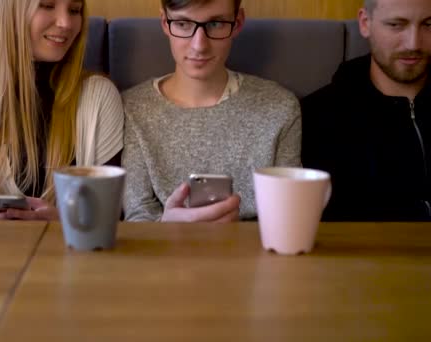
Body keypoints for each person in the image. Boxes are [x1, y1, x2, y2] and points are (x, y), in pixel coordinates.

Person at [0, 0, 124, 221]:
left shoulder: (99, 96)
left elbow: (114, 211)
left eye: (74, 10)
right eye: (46, 5)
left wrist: (64, 221)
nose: (66, 23)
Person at [121, 0, 301, 222]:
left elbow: (290, 213)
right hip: (166, 251)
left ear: (237, 23)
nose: (199, 45)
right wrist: (167, 227)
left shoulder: (280, 106)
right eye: (183, 24)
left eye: (215, 23)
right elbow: (138, 216)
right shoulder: (133, 108)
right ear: (165, 23)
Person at [301, 0, 431, 221]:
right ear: (365, 23)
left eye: (428, 24)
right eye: (396, 25)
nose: (413, 43)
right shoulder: (317, 116)